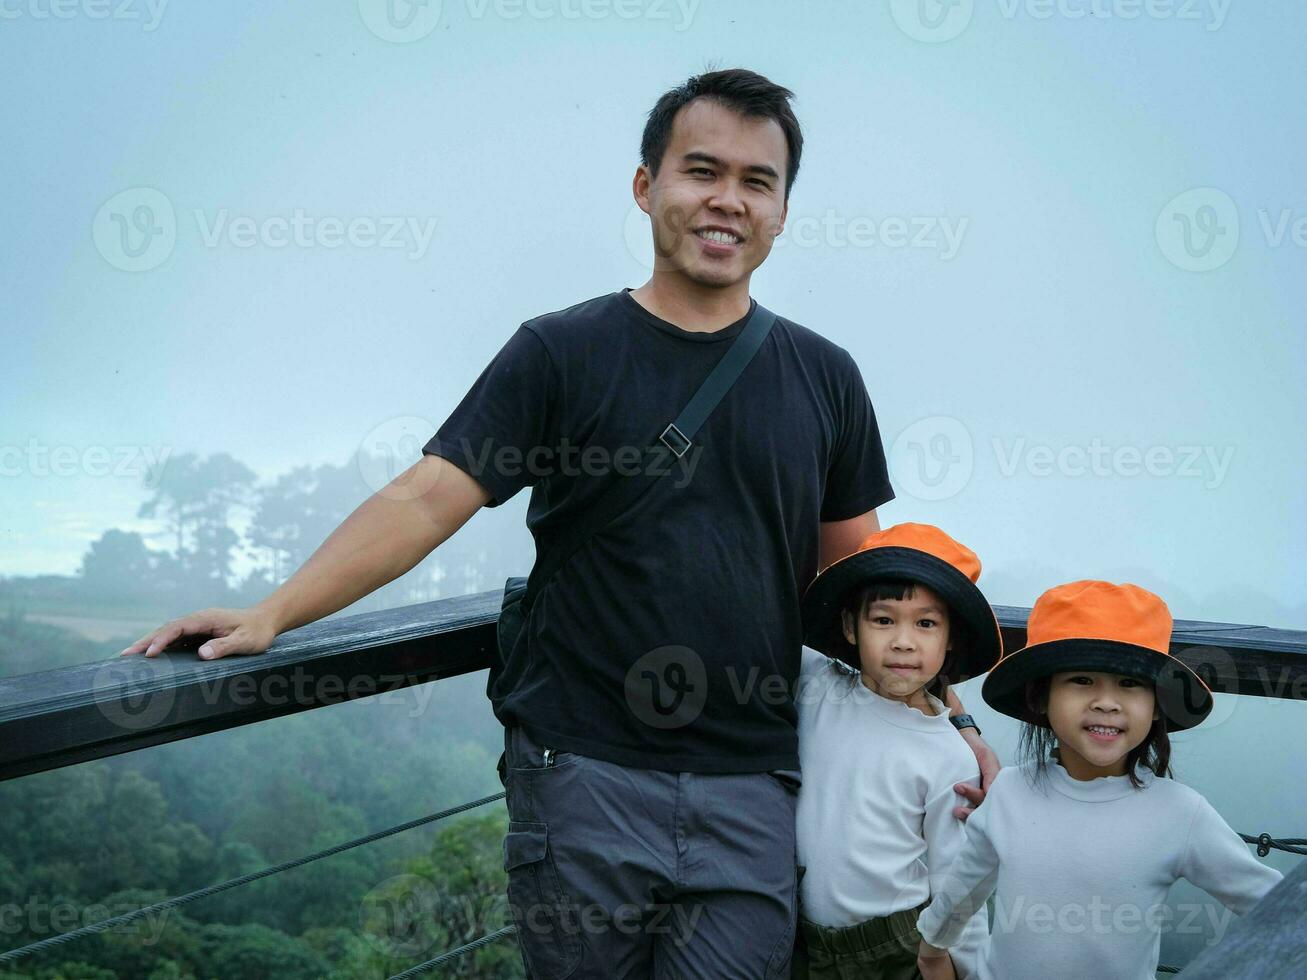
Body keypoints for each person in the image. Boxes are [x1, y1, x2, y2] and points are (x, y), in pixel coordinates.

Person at [121, 68, 999, 979]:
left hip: (754, 783)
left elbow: (864, 585)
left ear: (782, 211)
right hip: (582, 770)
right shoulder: (562, 352)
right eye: (701, 171)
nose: (726, 200)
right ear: (645, 185)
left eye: (756, 181)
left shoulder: (823, 376)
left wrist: (951, 718)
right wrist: (274, 611)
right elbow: (428, 496)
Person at [915, 580, 1284, 980]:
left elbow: (1278, 908)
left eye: (1130, 683)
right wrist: (932, 953)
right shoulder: (1008, 792)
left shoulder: (1180, 813)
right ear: (1042, 697)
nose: (1106, 702)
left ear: (1157, 706)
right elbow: (963, 890)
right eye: (1082, 680)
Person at [793, 523, 999, 979]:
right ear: (850, 626)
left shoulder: (951, 756)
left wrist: (970, 971)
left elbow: (957, 881)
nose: (903, 641)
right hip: (798, 935)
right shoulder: (817, 685)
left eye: (926, 624)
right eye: (883, 620)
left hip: (893, 945)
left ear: (950, 639)